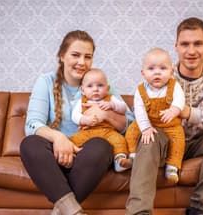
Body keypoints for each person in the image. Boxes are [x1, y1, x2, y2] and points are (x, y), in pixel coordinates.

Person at [125, 17, 203, 215]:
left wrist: (190, 113)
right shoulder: (160, 74)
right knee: (148, 136)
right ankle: (139, 212)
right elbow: (138, 112)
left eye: (198, 43)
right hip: (165, 141)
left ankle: (198, 208)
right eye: (185, 44)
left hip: (202, 144)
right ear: (176, 47)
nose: (191, 51)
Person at [19, 30, 133, 215]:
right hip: (54, 157)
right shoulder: (46, 82)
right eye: (75, 55)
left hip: (87, 158)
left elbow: (129, 124)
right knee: (29, 144)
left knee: (102, 145)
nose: (82, 62)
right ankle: (73, 212)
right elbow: (32, 124)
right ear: (62, 56)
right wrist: (59, 138)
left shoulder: (100, 85)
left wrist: (107, 116)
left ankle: (64, 211)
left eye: (88, 57)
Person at [125, 47, 185, 183]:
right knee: (132, 131)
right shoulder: (140, 90)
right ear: (143, 73)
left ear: (171, 71)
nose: (157, 72)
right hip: (149, 124)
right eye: (151, 69)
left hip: (170, 126)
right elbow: (139, 111)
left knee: (178, 140)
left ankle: (172, 167)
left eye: (163, 68)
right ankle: (133, 156)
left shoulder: (174, 86)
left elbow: (180, 100)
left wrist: (174, 110)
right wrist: (145, 128)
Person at [70, 68, 132, 172]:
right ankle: (71, 158)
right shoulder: (81, 101)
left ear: (107, 88)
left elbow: (123, 108)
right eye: (90, 86)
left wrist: (112, 105)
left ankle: (119, 161)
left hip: (108, 132)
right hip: (87, 131)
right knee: (73, 140)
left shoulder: (110, 99)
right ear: (83, 90)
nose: (95, 89)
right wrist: (84, 120)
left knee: (119, 140)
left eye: (100, 85)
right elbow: (75, 116)